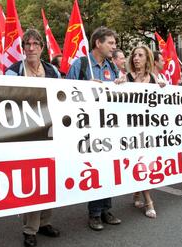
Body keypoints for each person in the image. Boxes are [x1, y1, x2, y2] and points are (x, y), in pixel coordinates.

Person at [5, 28, 61, 247]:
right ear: (22, 48)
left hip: (51, 132)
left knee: (49, 178)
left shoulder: (53, 71)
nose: (31, 48)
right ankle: (30, 229)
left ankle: (45, 222)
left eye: (35, 44)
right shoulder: (12, 72)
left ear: (42, 47)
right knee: (33, 180)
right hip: (26, 134)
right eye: (27, 44)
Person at [66, 26, 123, 231]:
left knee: (108, 168)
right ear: (98, 43)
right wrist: (85, 87)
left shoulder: (112, 66)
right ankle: (95, 213)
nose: (114, 47)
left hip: (108, 126)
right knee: (95, 168)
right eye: (110, 43)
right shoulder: (80, 64)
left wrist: (121, 83)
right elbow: (65, 92)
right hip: (87, 127)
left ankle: (106, 208)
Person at [126, 46, 165, 219]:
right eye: (134, 55)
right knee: (139, 162)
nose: (136, 58)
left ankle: (136, 193)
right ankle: (149, 200)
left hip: (149, 129)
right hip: (131, 130)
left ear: (147, 59)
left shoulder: (154, 79)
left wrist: (162, 88)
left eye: (140, 55)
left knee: (146, 162)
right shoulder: (126, 78)